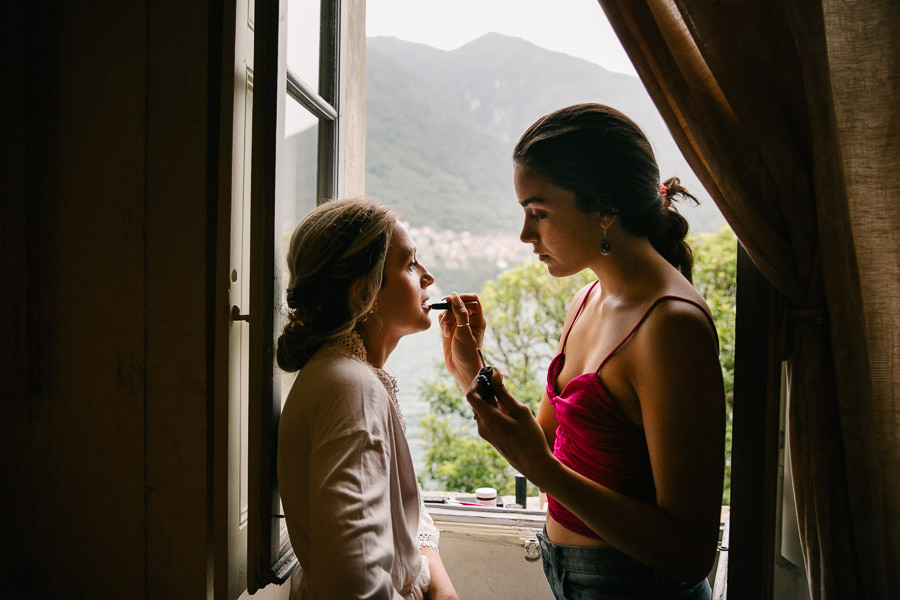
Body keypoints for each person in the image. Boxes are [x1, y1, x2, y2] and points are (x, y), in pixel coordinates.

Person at [440, 104, 725, 599]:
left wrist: (542, 469)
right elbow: (548, 446)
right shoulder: (586, 299)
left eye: (538, 212)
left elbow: (690, 551)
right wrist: (472, 369)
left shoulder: (670, 327)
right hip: (569, 573)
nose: (526, 235)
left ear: (605, 209)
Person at [276, 198, 458, 600]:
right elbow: (356, 585)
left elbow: (404, 517)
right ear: (364, 294)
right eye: (410, 264)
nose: (428, 277)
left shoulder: (350, 377)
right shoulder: (351, 391)